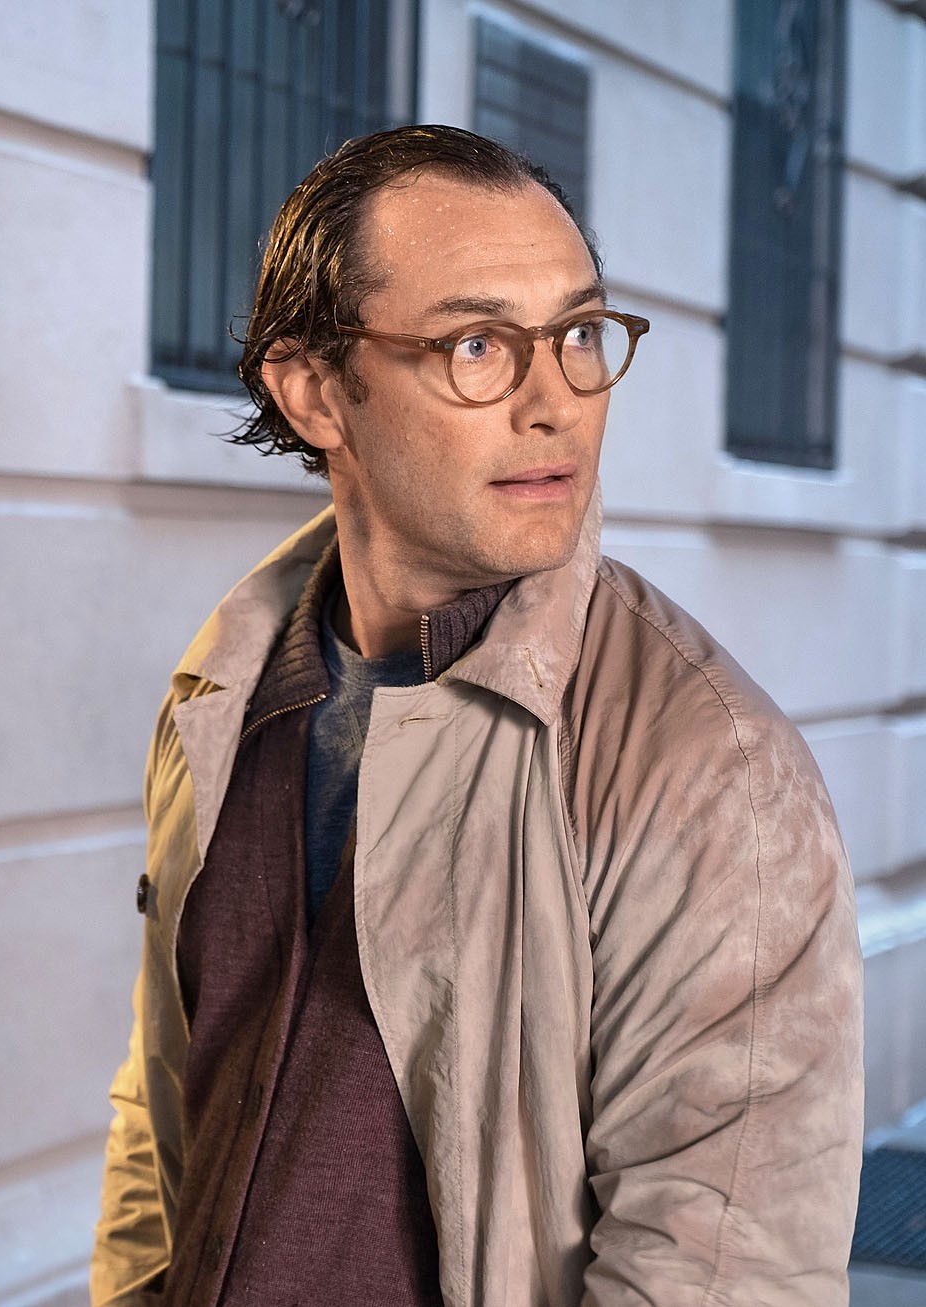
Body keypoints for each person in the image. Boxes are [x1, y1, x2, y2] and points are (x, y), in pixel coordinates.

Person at [92, 125, 862, 1306]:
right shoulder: (225, 691)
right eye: (477, 346)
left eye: (579, 335)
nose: (557, 404)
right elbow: (160, 1122)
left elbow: (723, 1274)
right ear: (313, 392)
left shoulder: (710, 771)